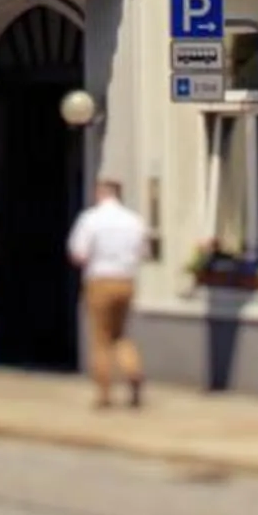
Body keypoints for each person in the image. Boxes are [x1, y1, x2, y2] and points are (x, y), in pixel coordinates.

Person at [65, 176, 150, 410]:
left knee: (100, 338)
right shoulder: (134, 220)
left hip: (100, 279)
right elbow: (144, 252)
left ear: (100, 193)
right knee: (120, 334)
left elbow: (78, 254)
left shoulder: (90, 219)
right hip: (126, 280)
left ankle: (103, 393)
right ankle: (133, 372)